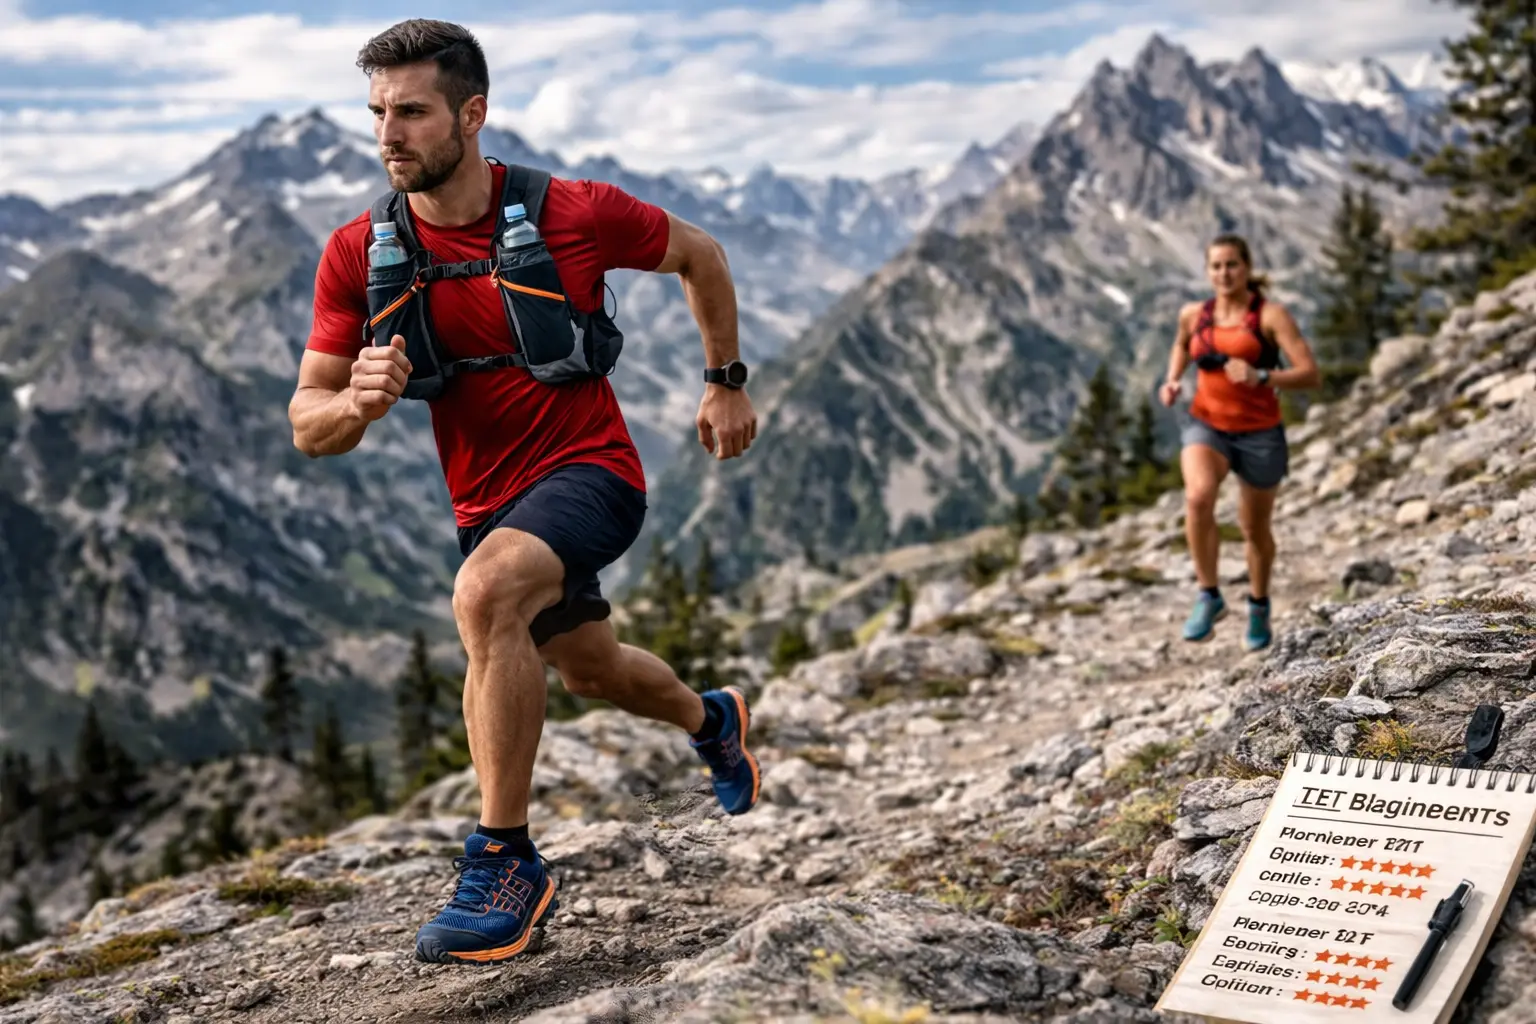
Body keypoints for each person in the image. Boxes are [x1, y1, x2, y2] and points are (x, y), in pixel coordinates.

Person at [287, 18, 762, 965]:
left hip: (593, 475)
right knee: (594, 670)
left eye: (412, 112)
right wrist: (358, 403)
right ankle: (715, 720)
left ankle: (506, 860)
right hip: (488, 508)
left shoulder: (574, 210)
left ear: (473, 113)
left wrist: (727, 380)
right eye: (378, 112)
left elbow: (698, 254)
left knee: (485, 594)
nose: (389, 134)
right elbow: (308, 422)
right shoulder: (355, 252)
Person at [1158, 234, 1319, 651]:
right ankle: (1209, 595)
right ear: (1207, 271)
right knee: (1198, 497)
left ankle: (1259, 604)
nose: (1224, 273)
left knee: (1254, 529)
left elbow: (1310, 374)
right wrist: (1173, 377)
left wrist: (1262, 376)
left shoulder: (1270, 316)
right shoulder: (1194, 315)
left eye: (1231, 265)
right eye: (1216, 266)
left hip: (1260, 433)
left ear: (1246, 268)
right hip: (1206, 425)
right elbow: (1180, 345)